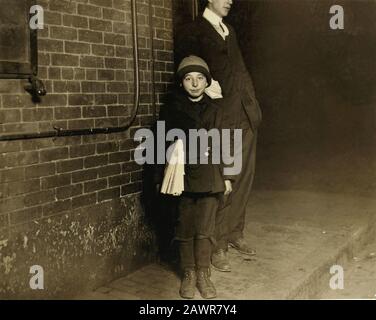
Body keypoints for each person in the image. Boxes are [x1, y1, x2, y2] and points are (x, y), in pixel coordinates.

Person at [175, 0, 262, 272]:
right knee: (225, 178)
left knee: (244, 176)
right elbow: (190, 75)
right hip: (221, 119)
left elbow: (241, 70)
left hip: (245, 116)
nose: (230, 1)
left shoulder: (229, 31)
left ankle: (235, 232)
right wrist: (211, 90)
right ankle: (217, 245)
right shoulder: (193, 31)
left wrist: (253, 106)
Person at [157, 55, 232, 299]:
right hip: (184, 177)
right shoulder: (171, 109)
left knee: (205, 228)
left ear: (207, 81)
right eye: (188, 78)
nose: (195, 83)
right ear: (181, 83)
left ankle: (203, 273)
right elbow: (162, 145)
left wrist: (227, 176)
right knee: (185, 227)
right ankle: (188, 273)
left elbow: (225, 143)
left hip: (210, 177)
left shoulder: (216, 109)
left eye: (200, 78)